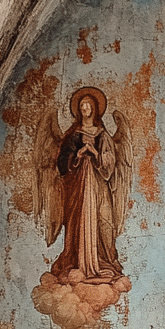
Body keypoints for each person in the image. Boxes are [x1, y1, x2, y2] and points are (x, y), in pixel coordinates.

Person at [52, 88, 130, 283]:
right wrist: (77, 156)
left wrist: (95, 153)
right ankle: (78, 263)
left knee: (104, 221)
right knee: (77, 222)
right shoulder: (73, 135)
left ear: (95, 109)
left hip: (98, 184)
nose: (85, 108)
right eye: (82, 105)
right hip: (78, 186)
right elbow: (62, 162)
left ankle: (103, 261)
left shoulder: (102, 134)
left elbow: (110, 161)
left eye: (88, 105)